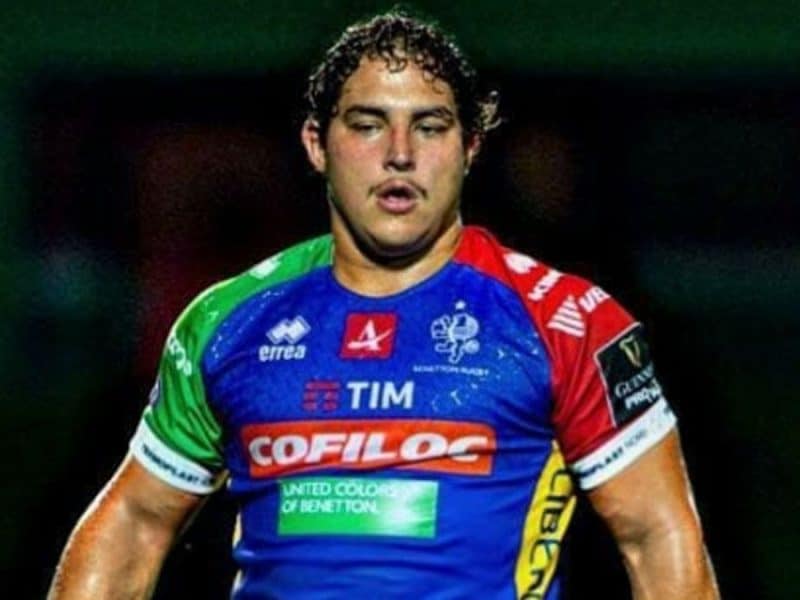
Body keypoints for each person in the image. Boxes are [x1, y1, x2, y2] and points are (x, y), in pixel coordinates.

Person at [48, 9, 719, 599]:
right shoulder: (225, 323)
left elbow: (658, 538)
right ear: (317, 144)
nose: (400, 155)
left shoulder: (569, 321)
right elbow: (134, 523)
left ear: (470, 147)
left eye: (430, 127)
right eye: (369, 125)